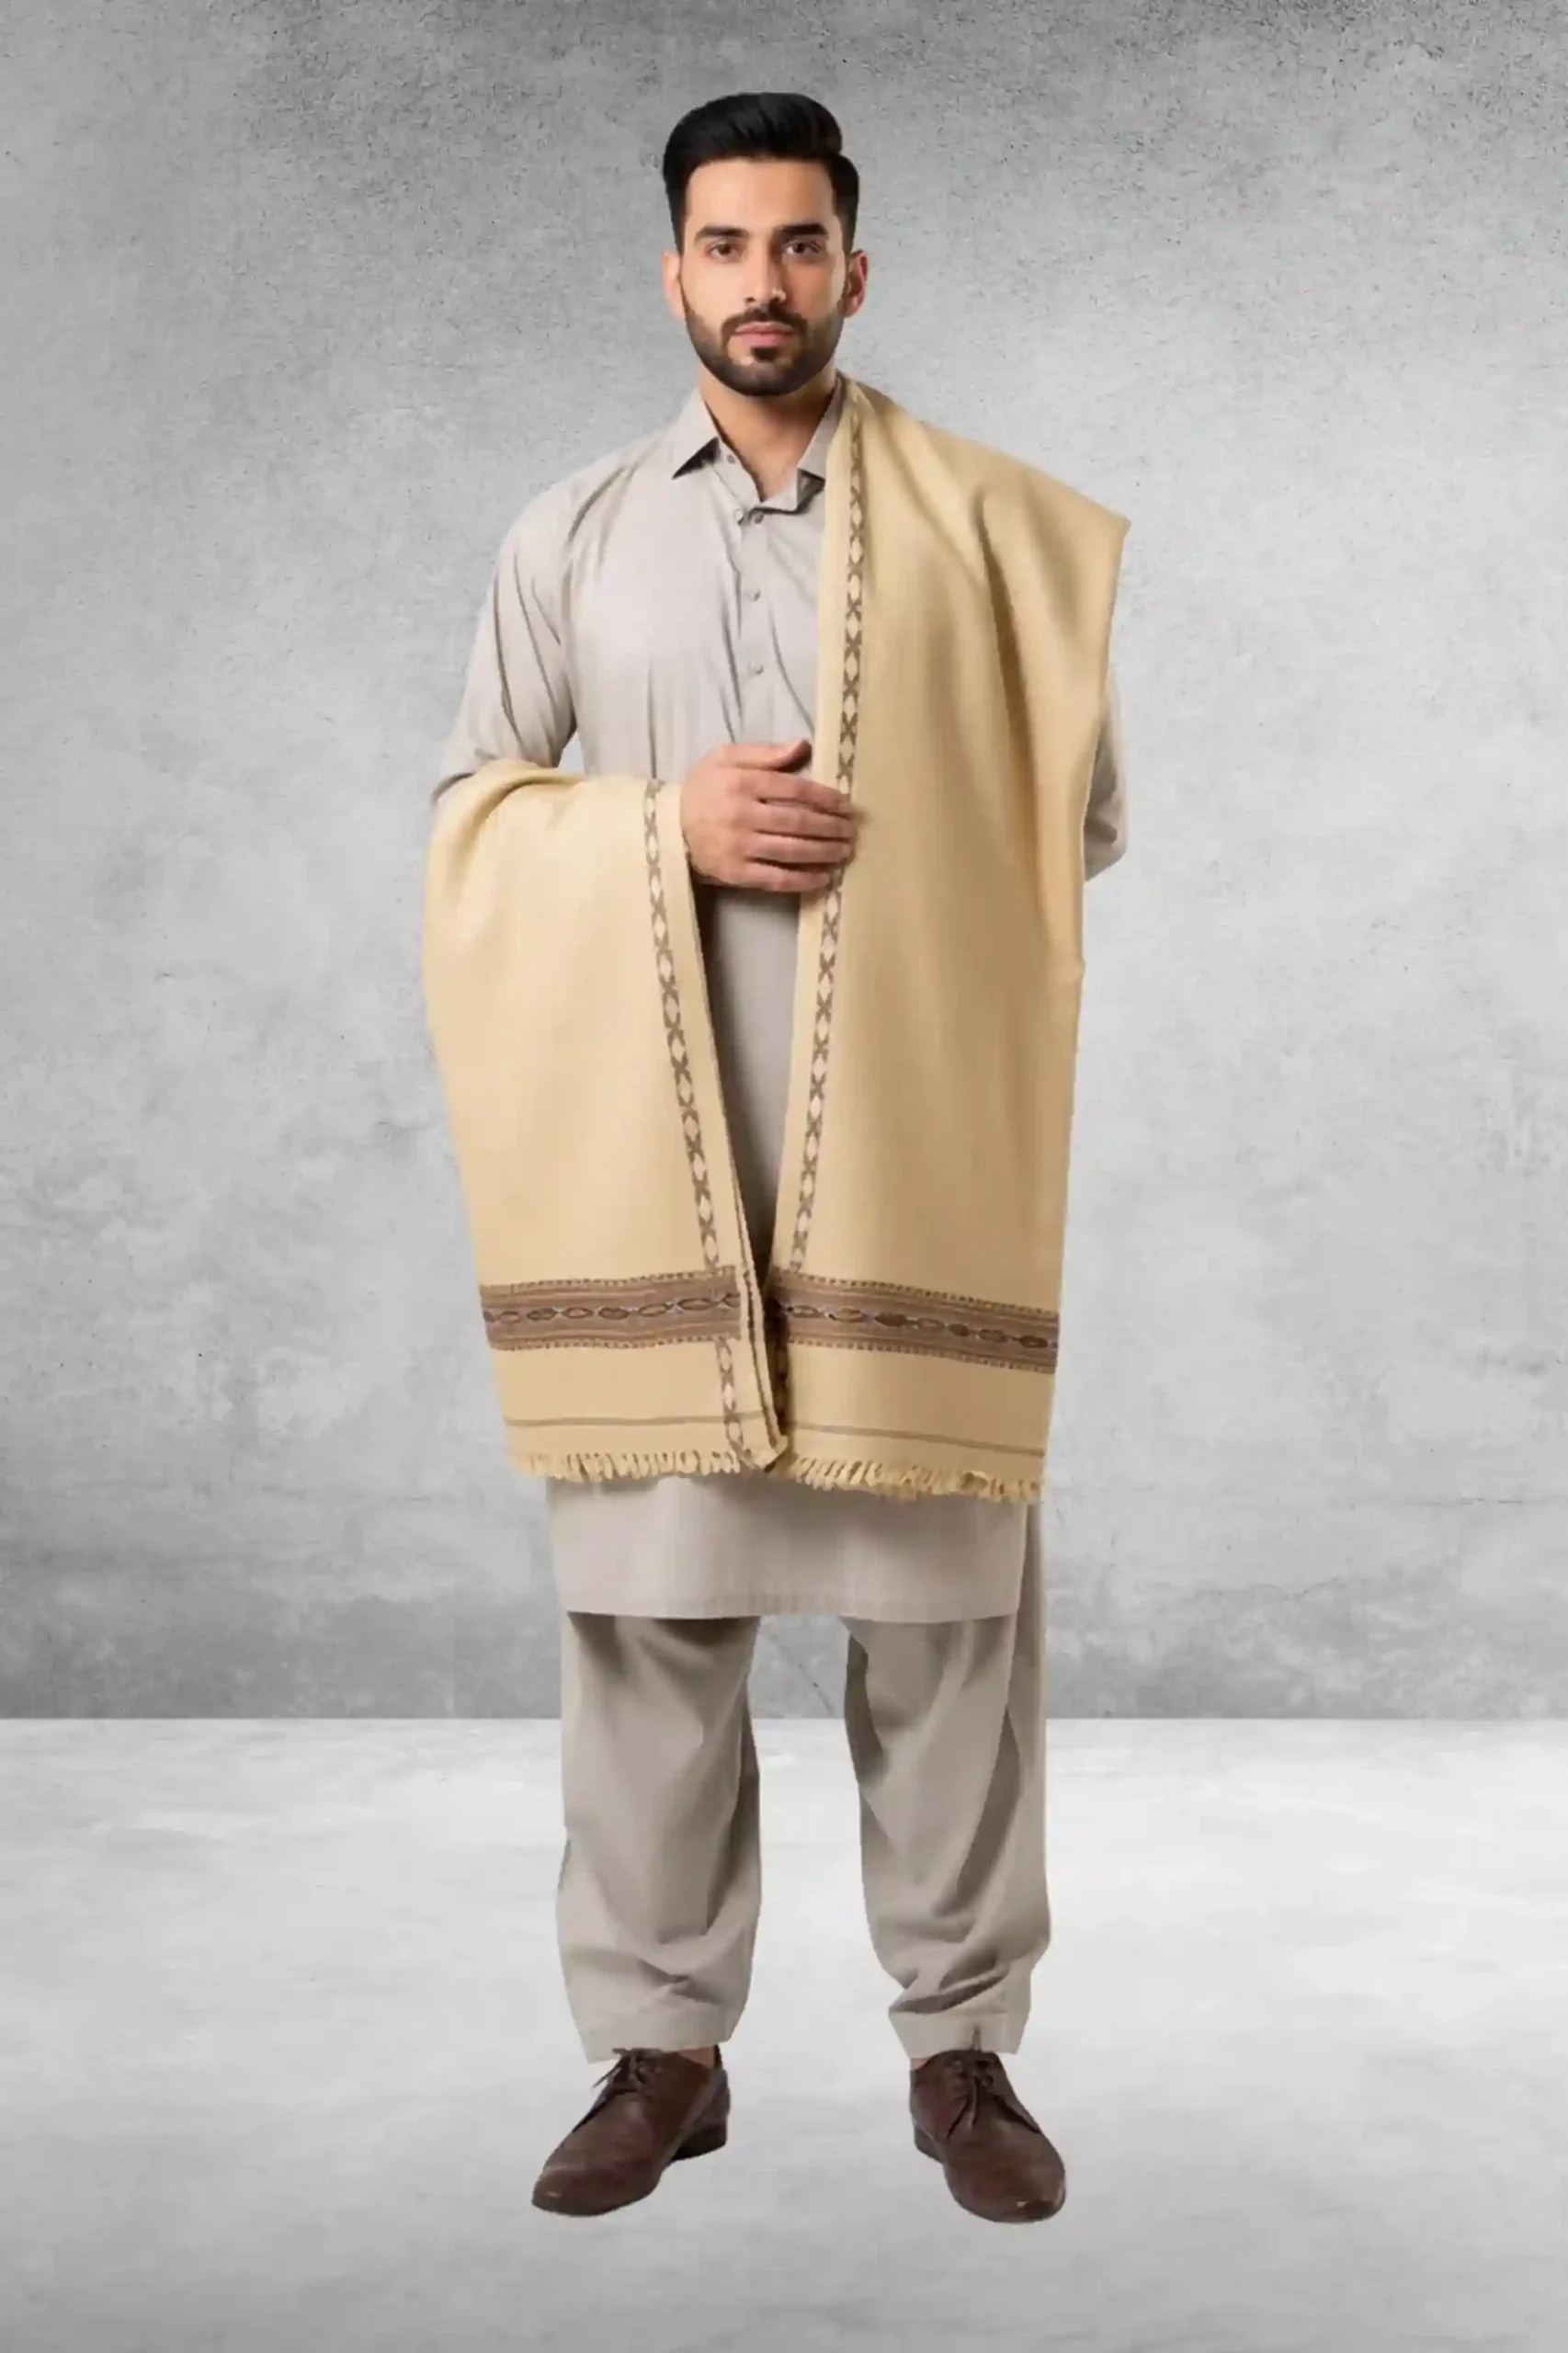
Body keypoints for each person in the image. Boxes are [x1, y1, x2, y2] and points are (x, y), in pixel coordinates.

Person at [431, 92, 1128, 2225]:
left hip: (902, 1153)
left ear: (854, 264)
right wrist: (667, 828)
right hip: (653, 1165)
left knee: (948, 1631)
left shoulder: (993, 534)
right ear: (674, 269)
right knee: (651, 1621)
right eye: (725, 244)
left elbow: (1075, 822)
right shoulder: (567, 536)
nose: (763, 282)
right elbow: (470, 815)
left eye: (799, 242)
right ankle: (660, 2047)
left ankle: (964, 2049)